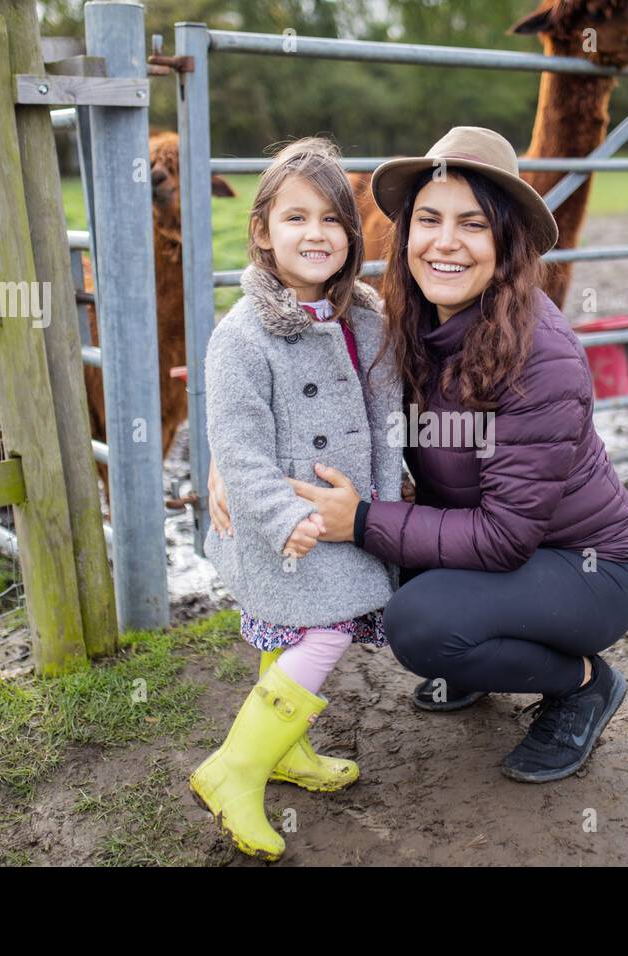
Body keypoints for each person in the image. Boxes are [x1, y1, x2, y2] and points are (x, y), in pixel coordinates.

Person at [213, 127, 628, 785]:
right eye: (429, 220)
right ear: (405, 232)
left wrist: (360, 522)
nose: (445, 241)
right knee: (409, 584)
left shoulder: (543, 358)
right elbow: (303, 408)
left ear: (507, 244)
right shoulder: (404, 321)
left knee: (419, 623)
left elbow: (505, 537)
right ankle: (482, 656)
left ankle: (583, 682)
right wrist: (233, 458)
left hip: (585, 568)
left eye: (472, 224)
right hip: (491, 541)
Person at [191, 136, 403, 861]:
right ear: (262, 232)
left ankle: (288, 749)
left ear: (352, 233)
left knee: (294, 632)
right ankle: (237, 768)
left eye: (333, 220)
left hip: (346, 516)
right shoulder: (242, 336)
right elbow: (239, 445)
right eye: (296, 218)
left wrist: (388, 497)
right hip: (284, 524)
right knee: (326, 631)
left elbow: (386, 417)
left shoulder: (365, 318)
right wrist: (283, 518)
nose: (316, 234)